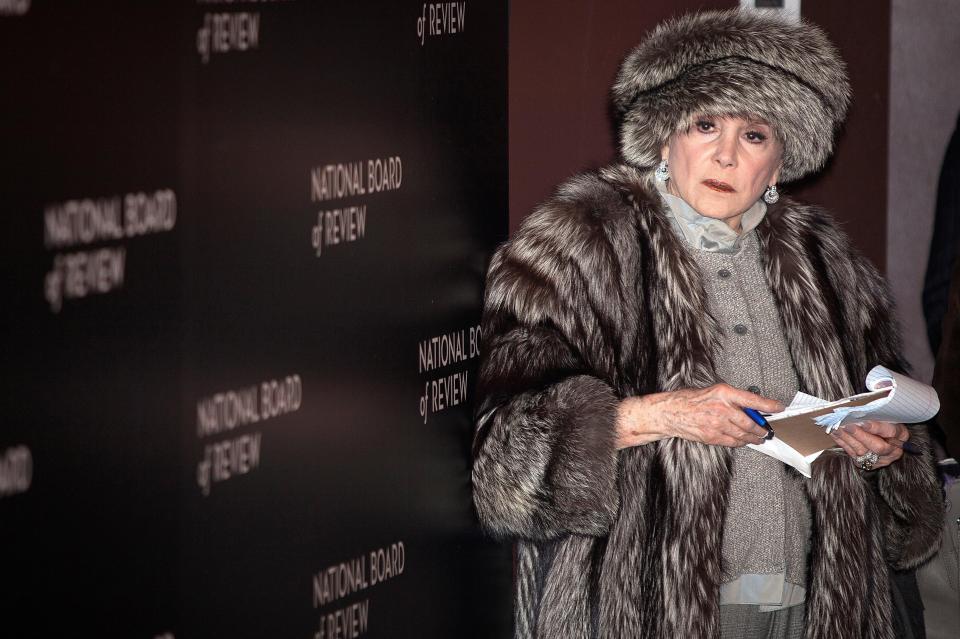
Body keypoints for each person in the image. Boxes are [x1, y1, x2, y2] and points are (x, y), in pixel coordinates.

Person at [472, 10, 943, 639]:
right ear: (666, 134)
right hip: (646, 611)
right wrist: (661, 414)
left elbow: (906, 497)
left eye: (754, 136)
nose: (724, 154)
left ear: (779, 163)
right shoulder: (579, 248)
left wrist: (883, 450)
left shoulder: (830, 266)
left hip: (813, 607)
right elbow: (503, 458)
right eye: (704, 124)